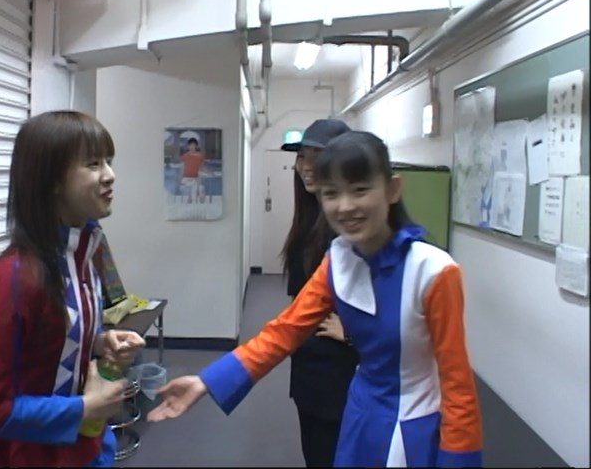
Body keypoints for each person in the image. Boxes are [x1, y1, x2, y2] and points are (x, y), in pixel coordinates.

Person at [147, 131, 483, 468]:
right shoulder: (339, 260)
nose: (345, 206)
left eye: (360, 190)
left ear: (393, 189)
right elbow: (284, 331)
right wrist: (206, 381)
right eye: (331, 193)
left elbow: (458, 389)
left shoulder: (434, 271)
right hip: (360, 414)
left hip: (413, 424)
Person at [0, 111, 146, 467]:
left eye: (108, 161)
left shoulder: (84, 253)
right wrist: (83, 408)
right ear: (53, 181)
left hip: (85, 451)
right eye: (93, 164)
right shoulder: (15, 277)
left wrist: (99, 341)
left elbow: (51, 341)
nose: (110, 175)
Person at [280, 119, 358, 467]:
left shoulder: (351, 228)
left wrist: (352, 333)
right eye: (302, 157)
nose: (307, 166)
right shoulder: (308, 219)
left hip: (341, 375)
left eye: (318, 157)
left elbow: (392, 306)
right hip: (309, 369)